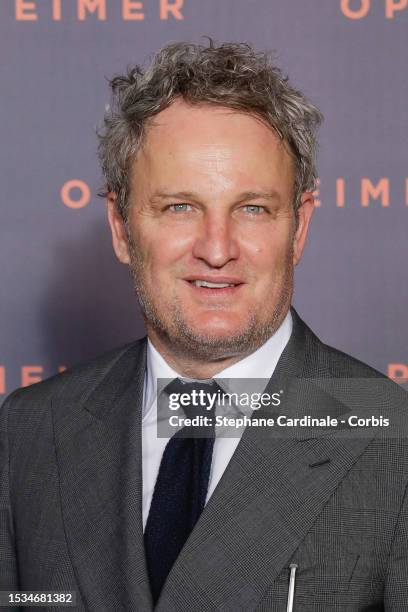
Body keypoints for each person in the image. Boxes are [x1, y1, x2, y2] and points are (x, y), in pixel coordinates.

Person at [1, 40, 407, 612]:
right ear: (120, 227)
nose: (217, 250)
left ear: (299, 229)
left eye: (252, 209)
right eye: (179, 207)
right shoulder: (30, 430)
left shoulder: (394, 441)